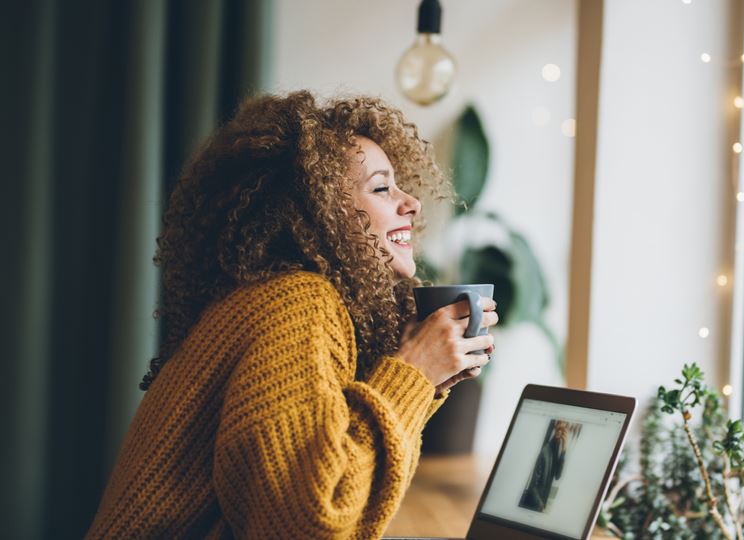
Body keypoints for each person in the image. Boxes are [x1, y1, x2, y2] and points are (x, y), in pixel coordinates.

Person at [85, 91, 498, 539]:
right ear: (318, 209)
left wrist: (426, 382)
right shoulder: (297, 303)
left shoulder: (278, 296)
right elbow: (311, 524)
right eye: (381, 187)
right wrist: (412, 373)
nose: (412, 203)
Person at [519, 420, 569, 512]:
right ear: (555, 427)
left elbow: (557, 476)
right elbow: (533, 484)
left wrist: (564, 450)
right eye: (559, 429)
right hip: (532, 504)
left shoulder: (556, 451)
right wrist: (540, 505)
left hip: (540, 504)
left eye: (563, 430)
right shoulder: (545, 451)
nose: (560, 432)